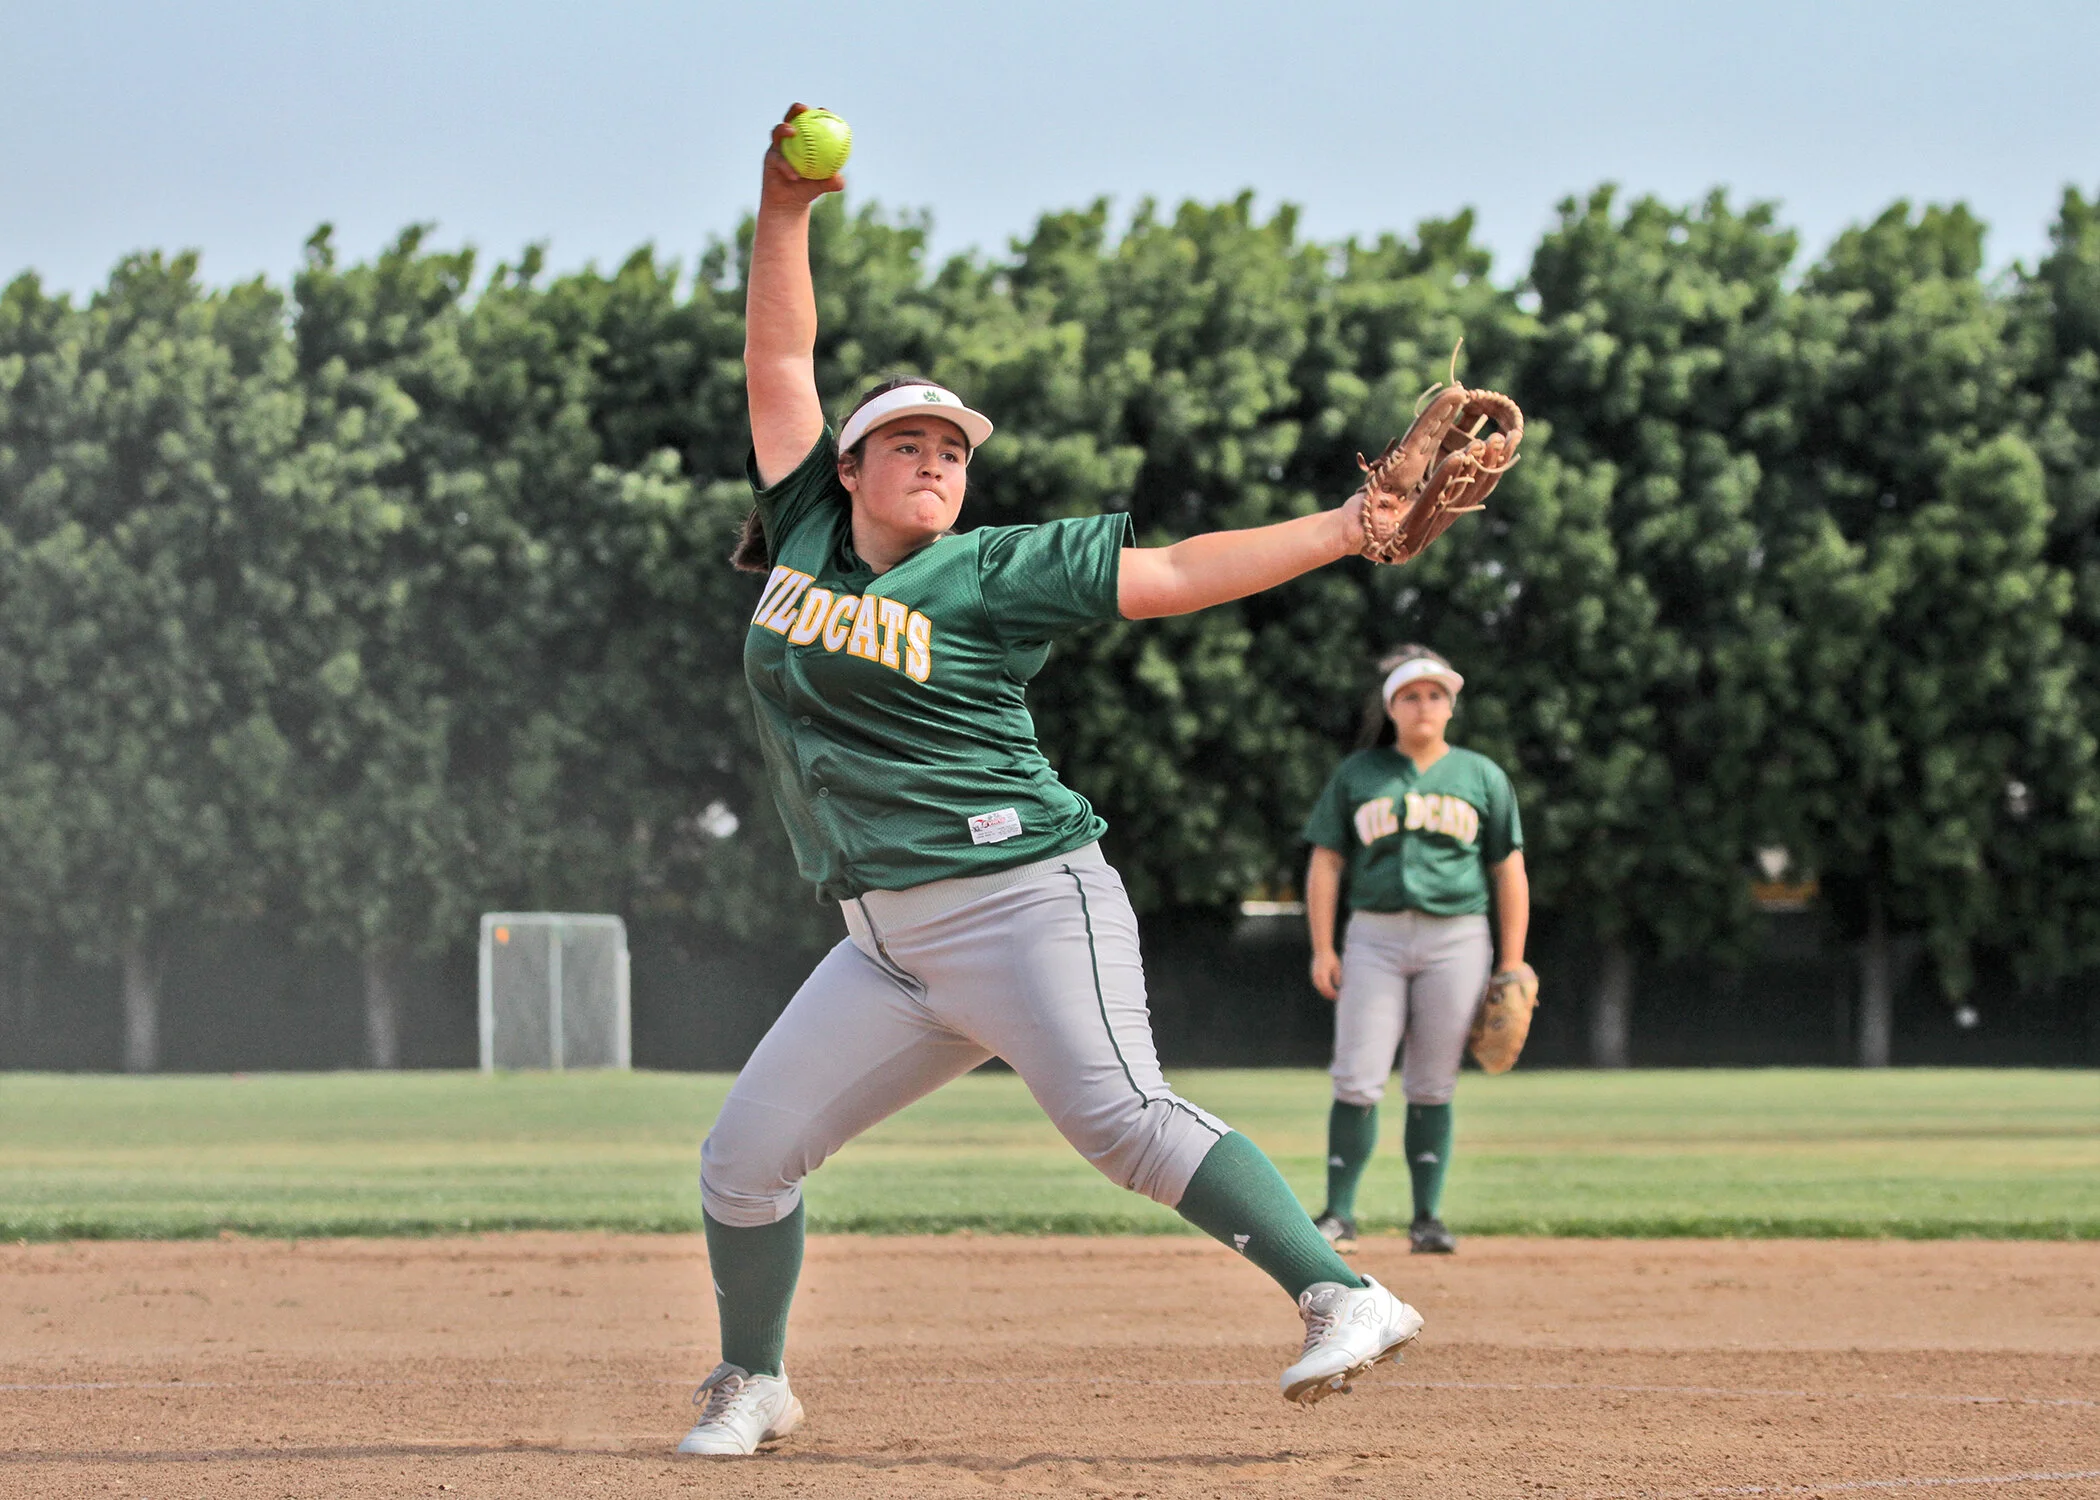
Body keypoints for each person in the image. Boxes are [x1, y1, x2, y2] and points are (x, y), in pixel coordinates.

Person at [677, 104, 1426, 1457]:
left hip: (1022, 898)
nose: (935, 460)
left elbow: (1174, 571)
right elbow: (780, 354)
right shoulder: (803, 536)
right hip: (884, 946)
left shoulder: (994, 570)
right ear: (846, 468)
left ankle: (1345, 1291)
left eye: (954, 449)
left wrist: (1346, 527)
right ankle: (755, 1382)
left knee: (1124, 1123)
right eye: (906, 442)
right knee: (742, 1161)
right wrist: (784, 209)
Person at [1301, 646, 1529, 1256]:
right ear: (1391, 707)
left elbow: (1508, 869)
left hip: (1458, 937)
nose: (1423, 705)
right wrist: (1323, 946)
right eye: (1410, 696)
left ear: (1450, 707)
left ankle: (1427, 1219)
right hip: (1373, 935)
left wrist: (1512, 961)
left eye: (1435, 695)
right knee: (1358, 1074)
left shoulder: (1481, 776)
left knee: (1432, 1081)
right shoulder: (1359, 774)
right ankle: (1338, 1215)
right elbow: (1326, 861)